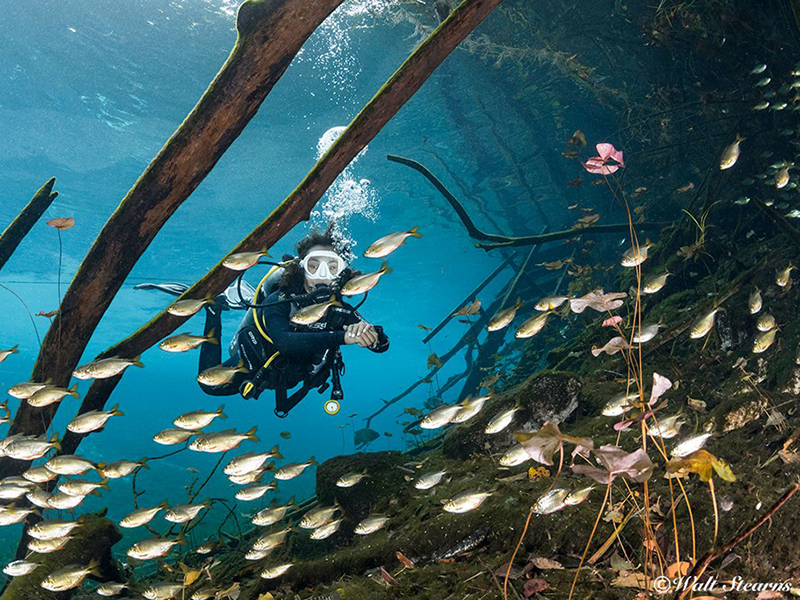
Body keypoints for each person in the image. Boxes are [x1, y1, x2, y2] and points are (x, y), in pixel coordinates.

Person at [196, 226, 389, 417]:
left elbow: (382, 345)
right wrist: (344, 337)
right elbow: (284, 341)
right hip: (257, 363)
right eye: (313, 266)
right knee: (208, 385)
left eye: (332, 267)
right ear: (302, 267)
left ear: (341, 273)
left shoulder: (339, 310)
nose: (322, 274)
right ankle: (214, 310)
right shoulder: (280, 300)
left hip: (294, 375)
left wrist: (370, 335)